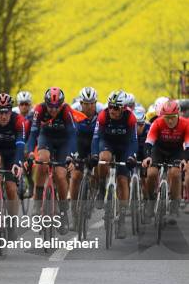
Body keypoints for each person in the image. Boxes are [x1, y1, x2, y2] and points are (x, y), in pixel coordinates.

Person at [26, 87, 76, 234]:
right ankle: (37, 201)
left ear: (61, 104)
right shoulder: (39, 109)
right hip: (46, 138)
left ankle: (63, 212)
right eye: (50, 106)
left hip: (63, 142)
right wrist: (29, 152)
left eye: (57, 107)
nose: (53, 110)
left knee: (60, 175)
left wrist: (71, 155)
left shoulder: (67, 111)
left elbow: (73, 135)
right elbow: (34, 132)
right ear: (45, 103)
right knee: (42, 160)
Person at [90, 90, 138, 239]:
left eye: (116, 108)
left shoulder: (131, 118)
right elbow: (96, 138)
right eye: (110, 106)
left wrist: (131, 156)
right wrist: (94, 155)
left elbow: (134, 141)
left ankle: (122, 220)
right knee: (103, 158)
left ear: (123, 108)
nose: (112, 110)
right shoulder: (103, 115)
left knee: (123, 180)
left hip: (124, 146)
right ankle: (101, 187)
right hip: (108, 143)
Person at [0, 93, 26, 239]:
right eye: (0, 112)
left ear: (11, 111)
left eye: (6, 112)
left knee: (11, 189)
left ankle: (12, 224)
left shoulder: (18, 120)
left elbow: (21, 143)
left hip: (11, 152)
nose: (3, 116)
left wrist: (18, 162)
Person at [142, 100, 189, 220]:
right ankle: (151, 202)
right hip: (159, 150)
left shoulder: (185, 124)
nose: (170, 120)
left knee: (175, 173)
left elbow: (188, 146)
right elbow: (148, 143)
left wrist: (184, 160)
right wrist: (147, 156)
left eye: (173, 117)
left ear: (178, 115)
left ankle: (174, 207)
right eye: (167, 117)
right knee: (151, 173)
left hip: (176, 152)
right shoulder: (157, 123)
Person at [68, 87, 100, 225]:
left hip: (94, 147)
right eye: (86, 104)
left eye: (92, 103)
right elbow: (70, 137)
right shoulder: (74, 116)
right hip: (79, 148)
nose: (89, 106)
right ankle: (75, 212)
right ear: (81, 103)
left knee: (98, 171)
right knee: (75, 177)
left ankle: (94, 192)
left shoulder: (101, 116)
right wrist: (73, 154)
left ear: (96, 103)